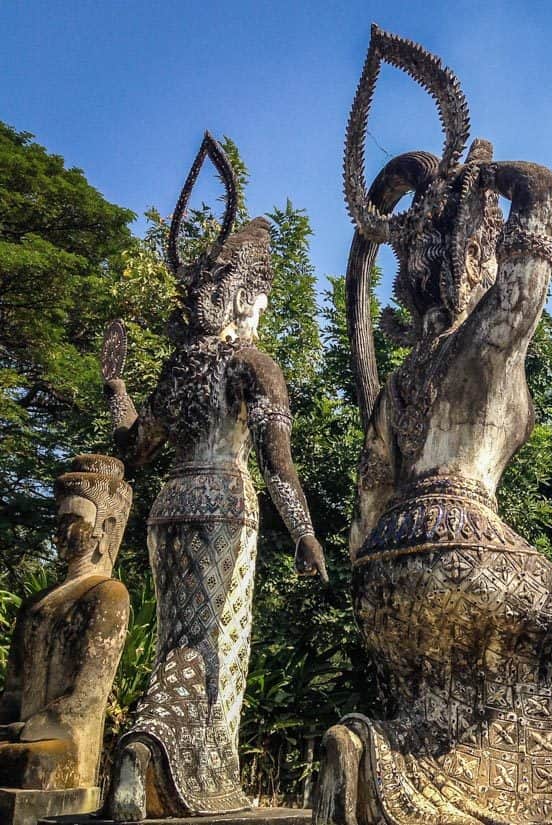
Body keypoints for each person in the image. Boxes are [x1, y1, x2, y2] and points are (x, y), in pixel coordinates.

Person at [313, 26, 552, 825]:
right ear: (476, 254)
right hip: (462, 545)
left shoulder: (399, 379)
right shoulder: (481, 344)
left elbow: (363, 516)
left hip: (381, 578)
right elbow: (543, 195)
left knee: (468, 691)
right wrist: (483, 180)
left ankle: (395, 762)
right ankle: (407, 780)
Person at [103, 134, 326, 820]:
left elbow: (136, 445)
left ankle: (158, 771)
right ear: (243, 297)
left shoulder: (178, 370)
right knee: (215, 649)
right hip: (227, 507)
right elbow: (277, 466)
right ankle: (149, 752)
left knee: (180, 637)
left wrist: (114, 382)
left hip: (170, 511)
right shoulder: (251, 364)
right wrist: (307, 534)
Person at [0, 455, 131, 793]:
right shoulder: (35, 604)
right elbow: (14, 687)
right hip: (20, 732)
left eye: (73, 520)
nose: (61, 531)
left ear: (107, 528)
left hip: (65, 738)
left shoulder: (107, 595)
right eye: (58, 521)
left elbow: (85, 695)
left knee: (31, 762)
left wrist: (25, 729)